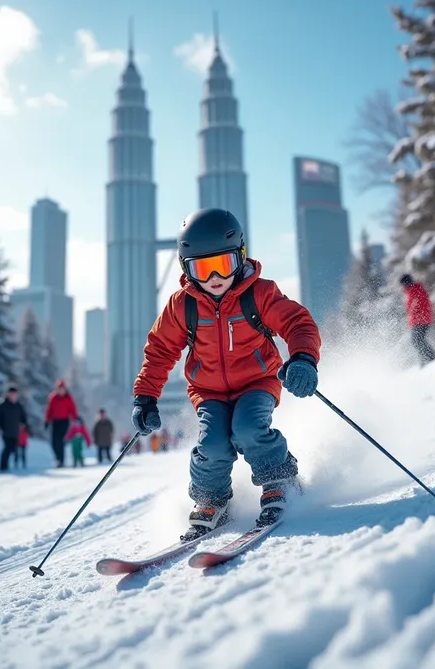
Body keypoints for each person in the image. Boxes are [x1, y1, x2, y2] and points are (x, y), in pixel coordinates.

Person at [132, 208, 320, 540]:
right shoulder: (182, 305)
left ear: (241, 257)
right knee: (213, 441)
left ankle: (280, 481)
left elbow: (297, 322)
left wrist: (303, 358)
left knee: (248, 427)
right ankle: (211, 499)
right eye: (202, 268)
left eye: (225, 264)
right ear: (186, 268)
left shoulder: (259, 294)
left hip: (258, 382)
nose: (214, 277)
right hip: (208, 391)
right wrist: (146, 397)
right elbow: (159, 350)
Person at [400, 274, 435, 366]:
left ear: (407, 283)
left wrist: (415, 311)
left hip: (422, 320)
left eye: (404, 284)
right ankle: (425, 359)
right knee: (417, 341)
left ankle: (431, 358)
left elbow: (422, 304)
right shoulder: (410, 291)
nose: (403, 286)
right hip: (417, 321)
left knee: (417, 340)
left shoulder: (416, 290)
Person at [0, 386, 28, 472]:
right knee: (7, 447)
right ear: (8, 394)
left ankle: (7, 466)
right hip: (5, 431)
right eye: (11, 394)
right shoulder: (2, 405)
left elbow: (23, 417)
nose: (13, 396)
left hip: (15, 431)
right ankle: (3, 466)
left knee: (12, 448)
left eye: (14, 394)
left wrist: (24, 424)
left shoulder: (18, 406)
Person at [44, 380, 78, 467]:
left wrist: (75, 417)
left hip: (64, 421)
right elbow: (49, 410)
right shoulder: (53, 397)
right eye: (59, 389)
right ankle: (58, 457)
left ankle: (61, 460)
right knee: (53, 441)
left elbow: (72, 409)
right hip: (55, 421)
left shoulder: (68, 398)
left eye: (62, 389)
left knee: (60, 440)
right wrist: (47, 421)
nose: (60, 391)